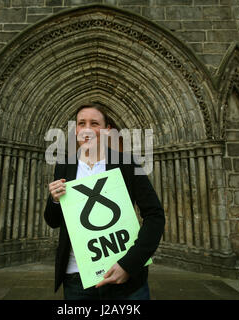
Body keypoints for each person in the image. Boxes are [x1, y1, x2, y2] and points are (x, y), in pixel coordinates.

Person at [43, 102, 165, 300]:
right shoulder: (64, 166)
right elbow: (53, 221)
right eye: (82, 123)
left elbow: (155, 215)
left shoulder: (126, 164)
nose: (88, 129)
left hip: (126, 277)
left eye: (95, 124)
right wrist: (55, 200)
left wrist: (129, 264)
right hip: (77, 278)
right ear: (76, 131)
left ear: (107, 131)